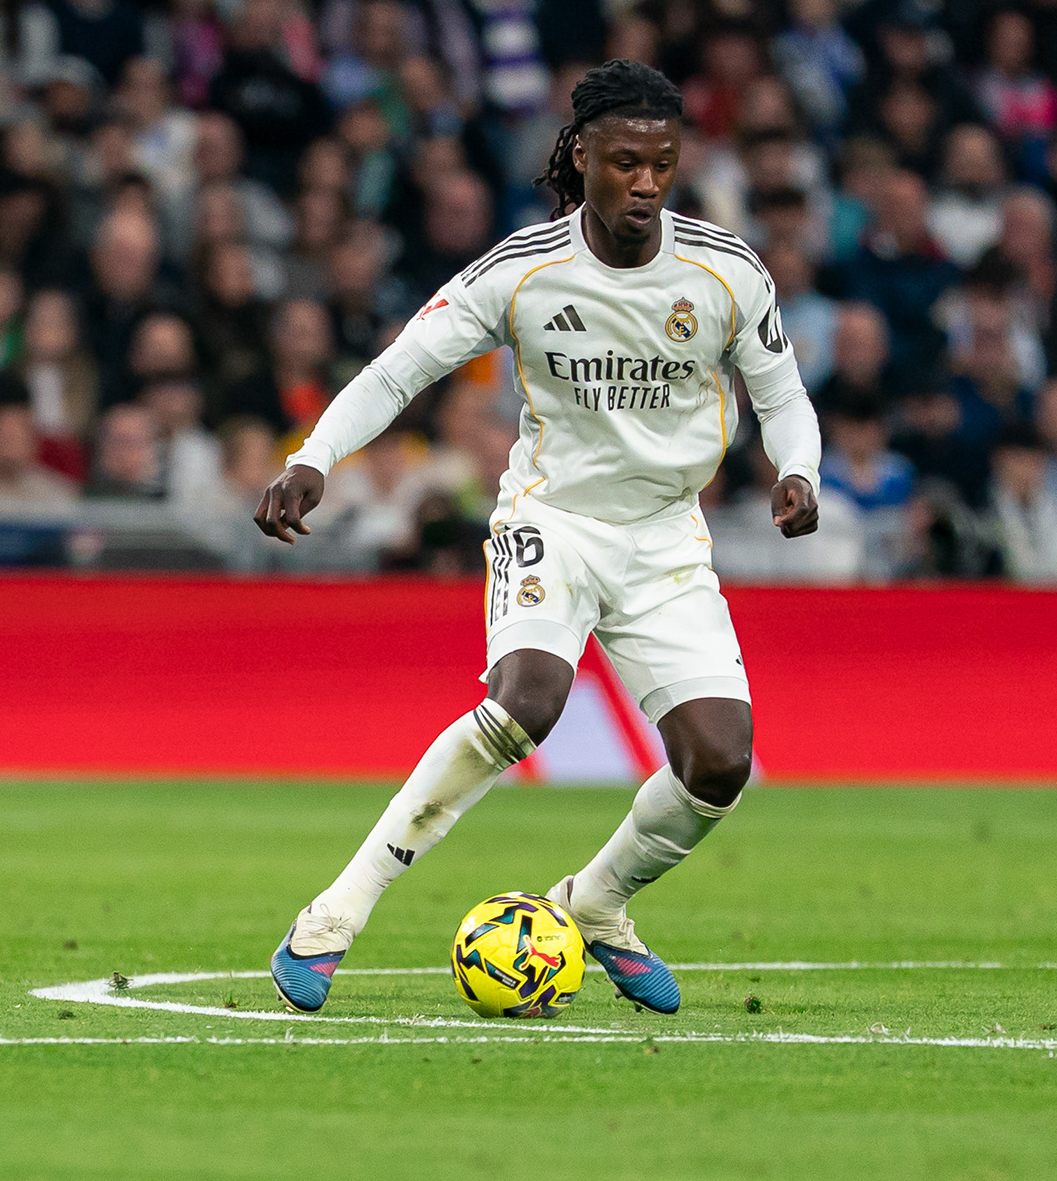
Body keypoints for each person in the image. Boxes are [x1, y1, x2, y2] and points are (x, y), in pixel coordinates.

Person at [255, 60, 822, 1017]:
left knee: (721, 761)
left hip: (666, 539)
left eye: (663, 163)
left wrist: (798, 468)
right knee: (527, 702)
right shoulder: (520, 271)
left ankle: (595, 903)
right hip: (551, 520)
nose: (646, 183)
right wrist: (315, 458)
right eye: (626, 162)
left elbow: (783, 395)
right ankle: (332, 914)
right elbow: (398, 372)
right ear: (581, 157)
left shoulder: (727, 271)